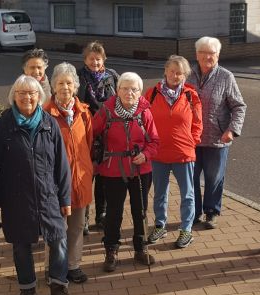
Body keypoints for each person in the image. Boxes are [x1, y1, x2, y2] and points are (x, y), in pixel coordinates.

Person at [0, 75, 75, 295]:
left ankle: (59, 287)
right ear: (13, 96)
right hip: (16, 198)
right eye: (22, 93)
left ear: (39, 96)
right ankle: (27, 289)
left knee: (58, 240)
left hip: (48, 195)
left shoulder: (49, 124)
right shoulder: (4, 125)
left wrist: (65, 198)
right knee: (20, 244)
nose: (27, 97)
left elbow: (62, 164)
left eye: (32, 93)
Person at [92, 72, 159, 272]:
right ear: (118, 89)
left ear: (140, 91)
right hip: (113, 169)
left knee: (141, 211)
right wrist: (93, 160)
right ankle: (111, 250)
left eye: (134, 89)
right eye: (125, 88)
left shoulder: (145, 111)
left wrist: (146, 155)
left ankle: (140, 248)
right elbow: (90, 134)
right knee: (114, 212)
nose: (129, 93)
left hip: (140, 169)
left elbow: (155, 141)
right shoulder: (106, 111)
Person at [188, 36, 246, 230]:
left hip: (218, 138)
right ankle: (194, 212)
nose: (207, 57)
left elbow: (239, 106)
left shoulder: (226, 76)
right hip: (191, 139)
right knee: (191, 177)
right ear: (196, 55)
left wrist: (232, 129)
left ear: (218, 55)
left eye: (211, 53)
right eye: (203, 52)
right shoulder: (187, 75)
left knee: (214, 178)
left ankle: (211, 212)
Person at [145, 55, 203, 249]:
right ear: (165, 71)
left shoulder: (190, 96)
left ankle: (186, 230)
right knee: (160, 193)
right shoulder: (151, 93)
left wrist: (191, 142)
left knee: (188, 194)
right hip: (159, 153)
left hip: (183, 154)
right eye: (172, 71)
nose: (175, 75)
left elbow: (198, 124)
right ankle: (160, 225)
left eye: (179, 73)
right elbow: (143, 120)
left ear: (185, 75)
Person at [43, 62, 94, 284]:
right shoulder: (46, 113)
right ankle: (52, 267)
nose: (65, 87)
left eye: (69, 83)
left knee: (77, 226)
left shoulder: (84, 113)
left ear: (76, 86)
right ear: (53, 86)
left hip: (81, 179)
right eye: (60, 83)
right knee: (56, 228)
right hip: (56, 183)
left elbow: (89, 144)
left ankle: (73, 265)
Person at [77, 41, 120, 234]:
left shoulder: (113, 76)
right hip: (86, 132)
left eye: (98, 58)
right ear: (85, 60)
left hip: (108, 133)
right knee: (87, 176)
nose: (95, 62)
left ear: (104, 59)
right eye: (91, 58)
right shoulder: (79, 77)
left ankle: (101, 215)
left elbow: (120, 100)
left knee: (104, 176)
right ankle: (83, 217)